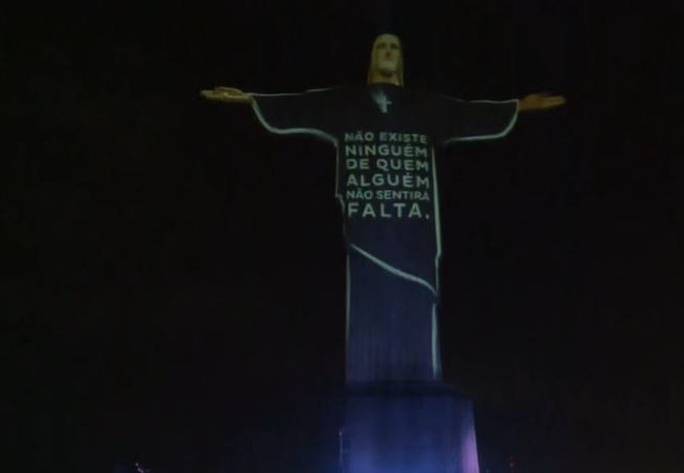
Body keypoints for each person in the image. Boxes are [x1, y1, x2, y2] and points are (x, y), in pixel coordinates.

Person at [201, 33, 563, 385]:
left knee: (419, 316)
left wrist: (517, 106)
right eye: (381, 46)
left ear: (401, 59)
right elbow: (301, 104)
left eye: (394, 47)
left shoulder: (426, 107)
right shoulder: (345, 103)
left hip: (415, 233)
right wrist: (250, 100)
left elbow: (467, 112)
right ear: (371, 57)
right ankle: (367, 391)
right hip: (365, 234)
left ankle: (420, 388)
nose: (388, 51)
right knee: (366, 317)